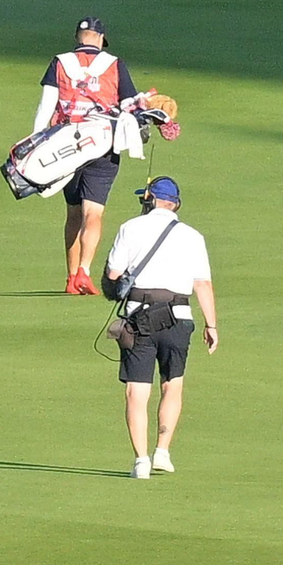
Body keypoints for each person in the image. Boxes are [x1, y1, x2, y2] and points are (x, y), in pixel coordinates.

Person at [102, 177, 219, 478]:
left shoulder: (130, 227)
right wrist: (212, 324)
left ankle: (140, 460)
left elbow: (113, 275)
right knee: (172, 384)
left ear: (150, 199)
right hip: (178, 317)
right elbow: (202, 283)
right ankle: (162, 452)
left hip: (139, 317)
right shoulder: (193, 236)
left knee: (136, 391)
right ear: (175, 203)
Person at [34, 16, 143, 295]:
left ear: (78, 38)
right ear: (100, 39)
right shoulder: (114, 64)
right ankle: (84, 270)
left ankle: (71, 279)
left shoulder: (60, 62)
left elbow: (46, 105)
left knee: (72, 212)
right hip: (103, 144)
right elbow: (129, 104)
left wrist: (37, 142)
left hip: (64, 146)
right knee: (93, 211)